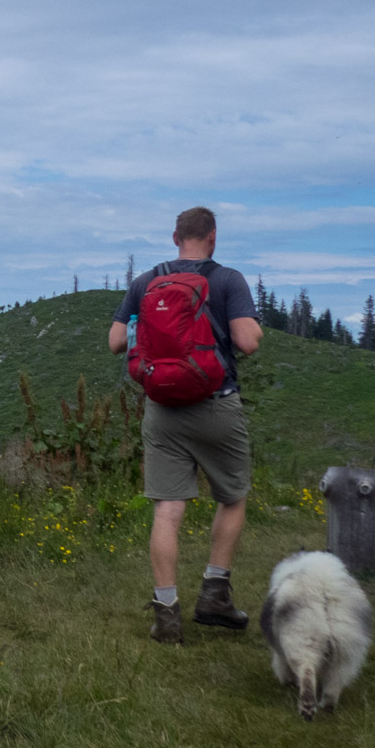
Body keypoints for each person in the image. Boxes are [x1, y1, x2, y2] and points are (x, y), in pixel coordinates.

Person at [108, 206, 263, 644]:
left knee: (167, 510)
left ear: (175, 236)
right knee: (232, 497)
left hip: (161, 408)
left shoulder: (147, 282)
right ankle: (215, 595)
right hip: (216, 405)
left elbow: (116, 341)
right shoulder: (228, 279)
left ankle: (166, 615)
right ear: (213, 238)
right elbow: (248, 342)